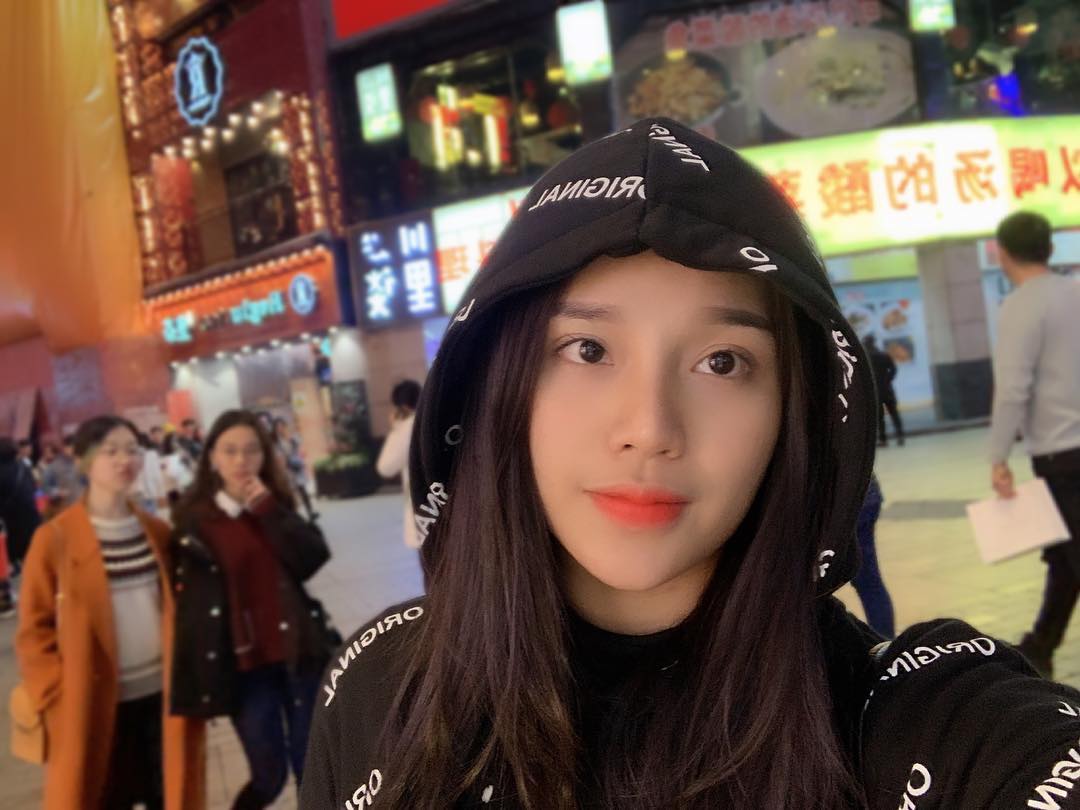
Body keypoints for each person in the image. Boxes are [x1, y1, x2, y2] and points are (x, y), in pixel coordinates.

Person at [299, 119, 1080, 809]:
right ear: (500, 388)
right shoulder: (377, 689)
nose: (650, 430)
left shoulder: (912, 724)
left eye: (723, 362)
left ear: (798, 412)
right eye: (588, 349)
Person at [14, 415, 205, 809]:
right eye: (111, 451)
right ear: (84, 461)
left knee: (167, 794)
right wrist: (55, 692)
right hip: (92, 701)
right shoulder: (54, 539)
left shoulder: (156, 532)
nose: (125, 460)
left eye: (133, 450)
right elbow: (33, 628)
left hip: (160, 697)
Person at [169, 410, 334, 809]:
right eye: (230, 451)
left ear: (264, 455)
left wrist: (270, 511)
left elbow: (313, 557)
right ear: (212, 456)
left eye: (251, 450)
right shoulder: (194, 519)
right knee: (268, 775)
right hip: (245, 667)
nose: (241, 460)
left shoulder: (274, 503)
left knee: (311, 768)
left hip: (297, 653)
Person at [988, 210, 1080, 679]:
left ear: (1003, 253)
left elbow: (1013, 388)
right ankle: (1040, 646)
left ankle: (1039, 647)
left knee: (1072, 553)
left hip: (1060, 455)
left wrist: (998, 456)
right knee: (1065, 555)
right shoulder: (1075, 291)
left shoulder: (1020, 307)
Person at [375, 380, 422, 549]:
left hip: (426, 508)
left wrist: (396, 428)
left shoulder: (407, 427)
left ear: (401, 406)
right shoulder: (434, 419)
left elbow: (385, 467)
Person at [851, 474, 895, 638]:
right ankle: (885, 645)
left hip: (831, 500)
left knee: (810, 588)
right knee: (869, 583)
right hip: (865, 492)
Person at [0, 436, 41, 579]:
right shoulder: (24, 468)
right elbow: (33, 489)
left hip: (10, 523)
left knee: (13, 557)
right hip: (31, 519)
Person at [862, 334, 904, 447]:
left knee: (880, 417)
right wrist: (888, 379)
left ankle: (883, 439)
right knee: (894, 413)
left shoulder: (866, 359)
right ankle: (900, 436)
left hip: (875, 392)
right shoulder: (884, 355)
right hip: (887, 389)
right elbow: (893, 369)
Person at [273, 417, 318, 521]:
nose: (280, 428)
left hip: (297, 466)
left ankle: (310, 512)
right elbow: (278, 456)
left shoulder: (291, 437)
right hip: (287, 469)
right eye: (278, 427)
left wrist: (290, 439)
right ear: (275, 429)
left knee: (302, 490)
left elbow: (299, 448)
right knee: (291, 493)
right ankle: (294, 515)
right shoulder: (276, 442)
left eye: (281, 426)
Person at [40, 435, 83, 513]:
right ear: (65, 448)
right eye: (70, 448)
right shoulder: (54, 466)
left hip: (83, 506)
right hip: (66, 508)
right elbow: (44, 487)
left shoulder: (82, 461)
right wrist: (58, 492)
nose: (73, 451)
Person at [133, 431, 169, 517]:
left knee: (144, 513)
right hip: (150, 488)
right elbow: (157, 473)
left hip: (138, 489)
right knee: (151, 511)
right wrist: (160, 487)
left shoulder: (133, 455)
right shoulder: (152, 454)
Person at [160, 431, 195, 505]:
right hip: (174, 488)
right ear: (168, 443)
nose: (176, 443)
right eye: (174, 440)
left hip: (186, 484)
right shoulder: (164, 458)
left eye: (177, 440)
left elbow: (191, 466)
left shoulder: (182, 453)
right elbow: (169, 473)